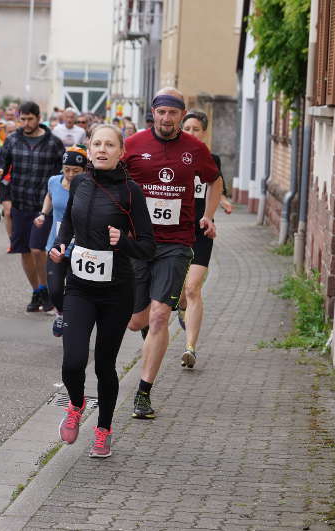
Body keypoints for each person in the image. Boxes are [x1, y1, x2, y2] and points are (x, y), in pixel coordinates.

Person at [51, 124, 155, 458]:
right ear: (89, 148)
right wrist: (59, 243)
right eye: (97, 143)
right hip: (79, 287)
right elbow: (67, 221)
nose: (102, 149)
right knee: (72, 362)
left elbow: (148, 247)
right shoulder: (79, 181)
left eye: (110, 145)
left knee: (104, 366)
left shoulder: (131, 192)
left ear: (121, 152)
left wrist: (122, 242)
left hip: (115, 292)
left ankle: (104, 429)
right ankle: (77, 404)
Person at [124, 88, 221, 419]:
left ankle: (143, 393)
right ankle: (152, 341)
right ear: (153, 112)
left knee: (160, 315)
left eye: (173, 113)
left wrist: (208, 215)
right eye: (161, 112)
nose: (166, 118)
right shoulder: (134, 145)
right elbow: (115, 183)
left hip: (176, 243)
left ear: (182, 115)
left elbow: (215, 180)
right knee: (137, 319)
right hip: (138, 242)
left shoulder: (195, 149)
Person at [0, 101, 65, 313]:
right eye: (22, 119)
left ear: (38, 117)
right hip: (20, 203)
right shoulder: (12, 140)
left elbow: (65, 172)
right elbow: (2, 166)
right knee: (24, 250)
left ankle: (46, 289)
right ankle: (37, 291)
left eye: (29, 119)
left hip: (44, 205)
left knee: (37, 248)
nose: (25, 123)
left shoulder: (53, 143)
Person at [175, 110, 232, 369]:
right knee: (181, 293)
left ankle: (190, 348)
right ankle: (181, 305)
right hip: (175, 230)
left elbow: (215, 186)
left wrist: (222, 201)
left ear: (204, 132)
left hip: (201, 230)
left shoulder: (211, 159)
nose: (191, 133)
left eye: (196, 128)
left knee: (193, 287)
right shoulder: (174, 157)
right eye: (187, 128)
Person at [35, 147, 87, 337]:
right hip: (56, 245)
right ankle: (61, 313)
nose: (70, 174)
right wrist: (43, 214)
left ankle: (73, 320)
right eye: (67, 169)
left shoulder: (88, 186)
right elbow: (50, 196)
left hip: (80, 248)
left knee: (77, 291)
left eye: (76, 170)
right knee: (55, 289)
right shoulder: (54, 181)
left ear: (85, 170)